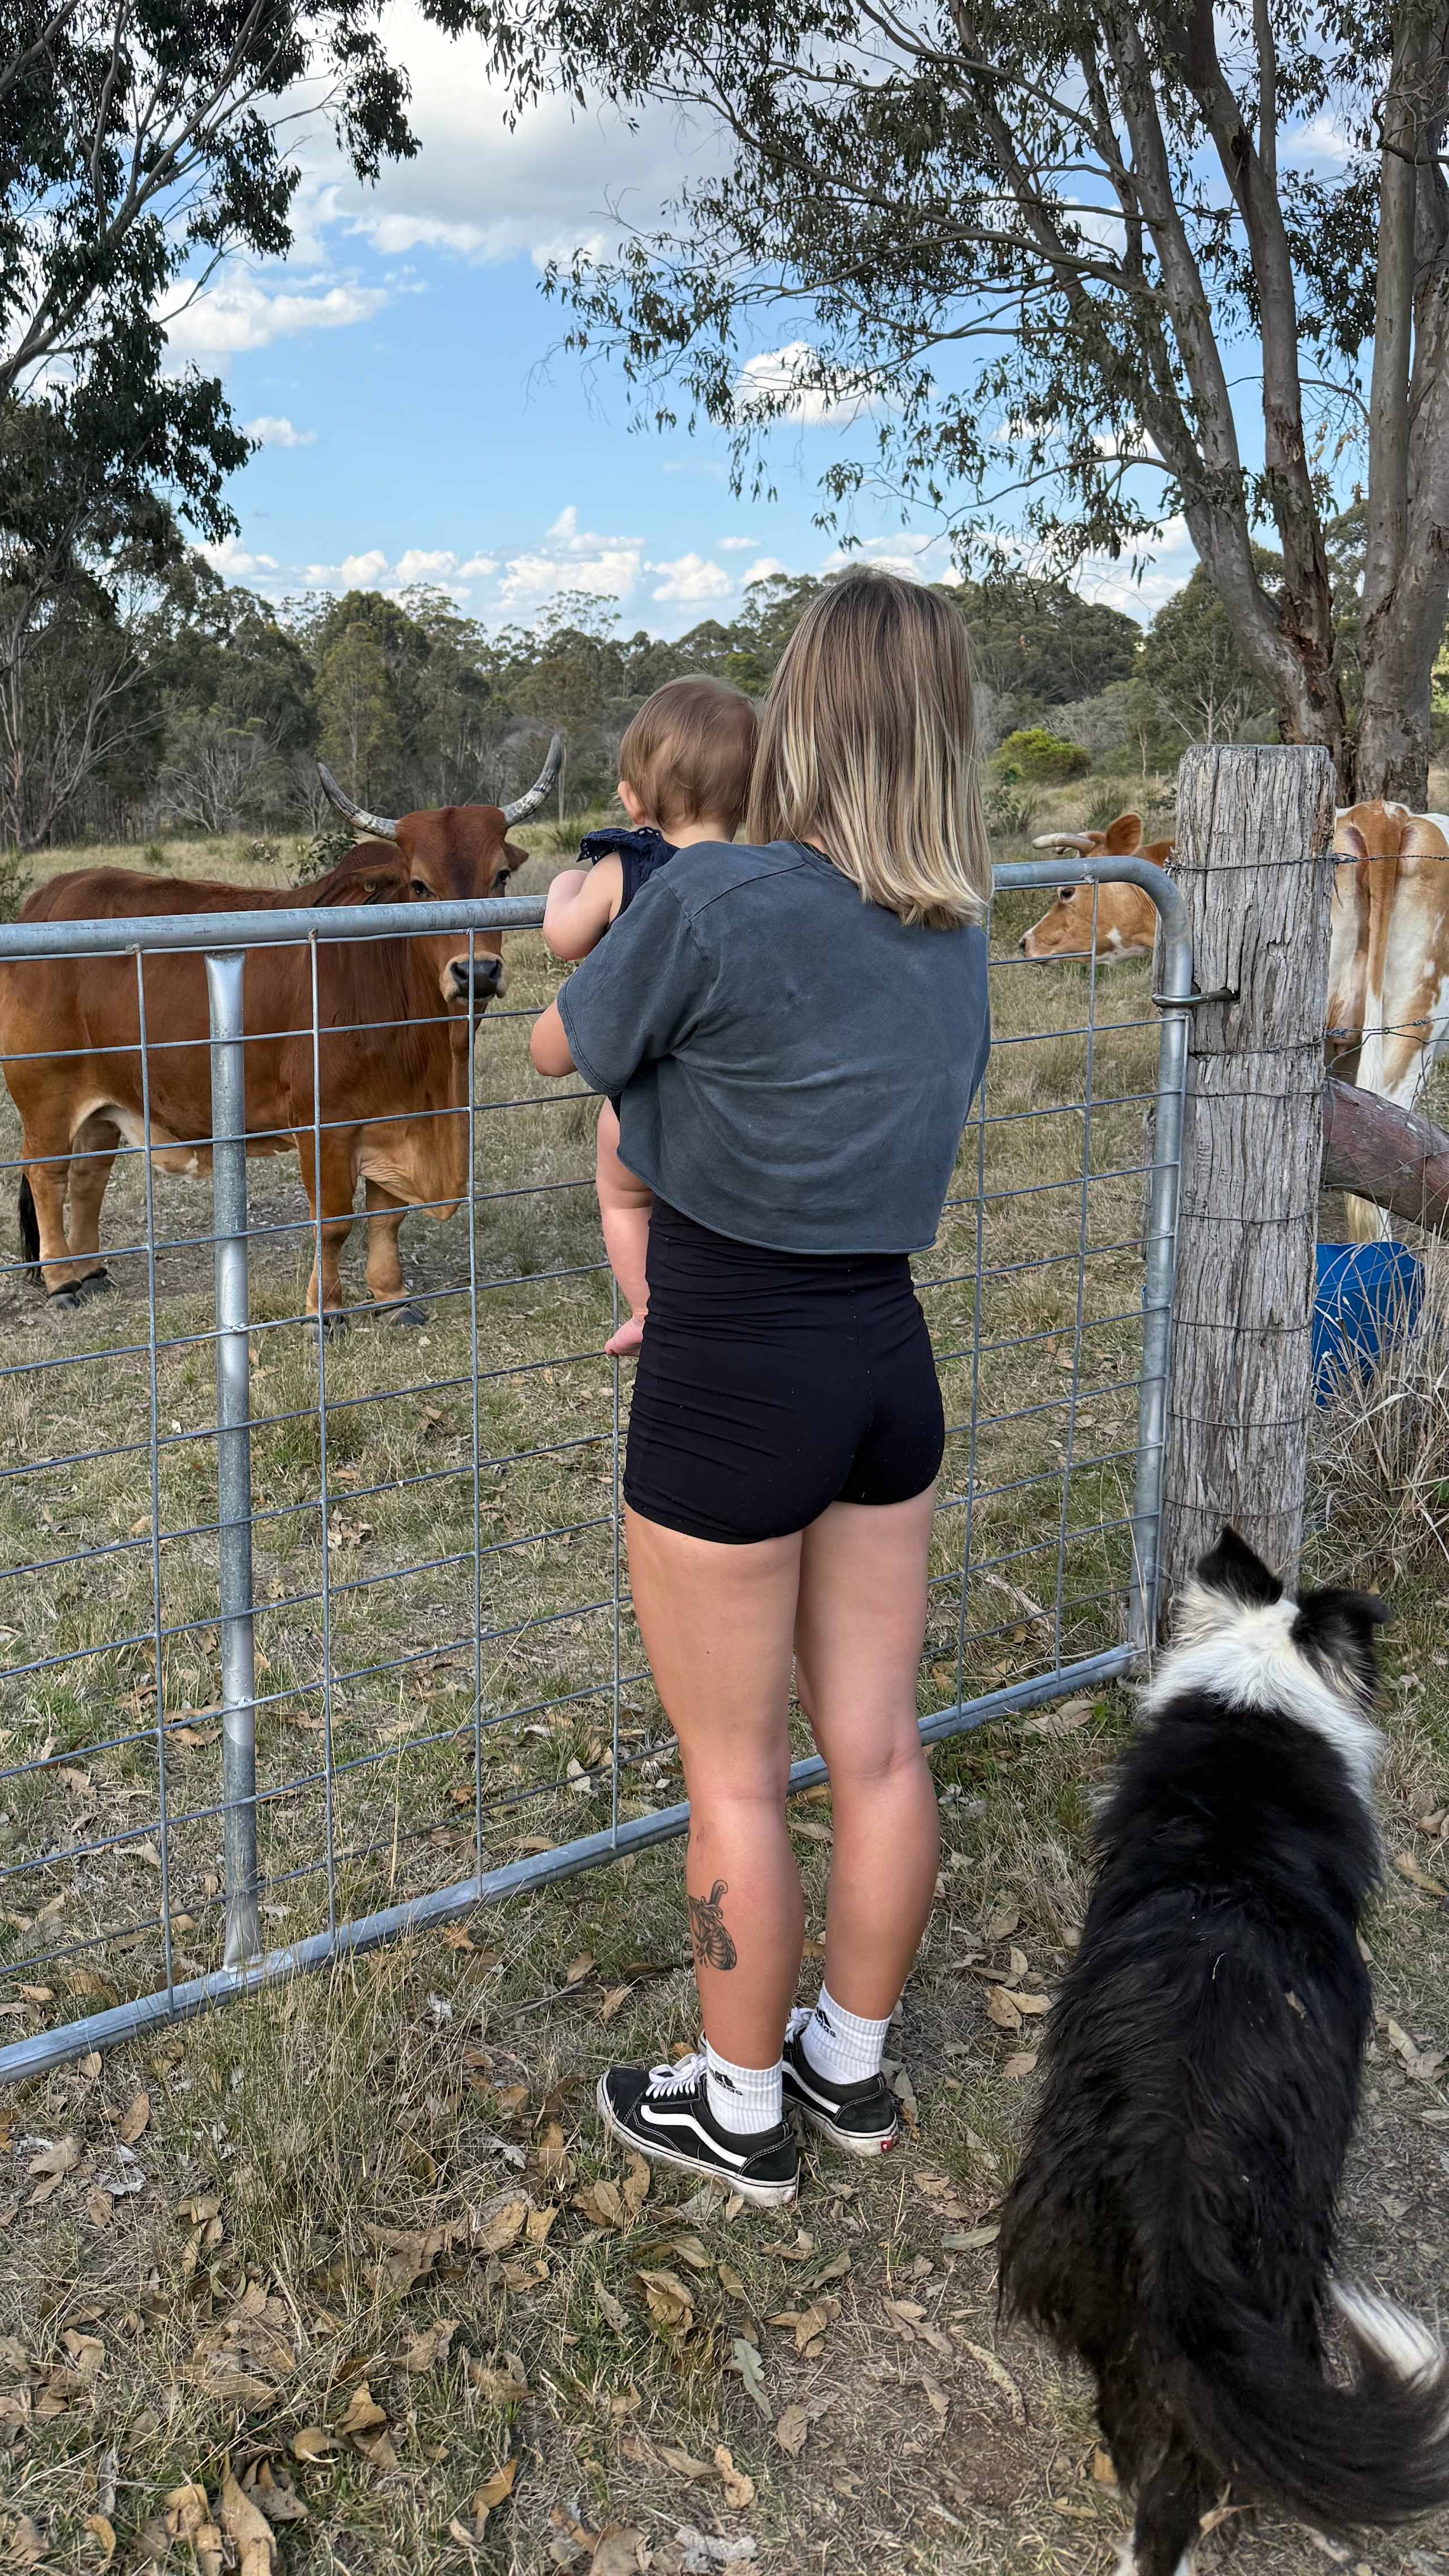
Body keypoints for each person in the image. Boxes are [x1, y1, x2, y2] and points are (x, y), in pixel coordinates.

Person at [527, 571, 992, 2210]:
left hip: (731, 1370)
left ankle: (736, 2110)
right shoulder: (960, 936)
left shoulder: (713, 909)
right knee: (873, 1750)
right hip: (888, 1365)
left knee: (735, 1771)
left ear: (804, 713)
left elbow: (565, 1046)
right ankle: (845, 2071)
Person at [541, 677, 758, 1358]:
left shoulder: (626, 865)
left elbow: (565, 938)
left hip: (641, 1093)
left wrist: (563, 885)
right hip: (726, 1088)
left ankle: (648, 1307)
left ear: (634, 794)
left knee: (623, 1195)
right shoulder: (756, 872)